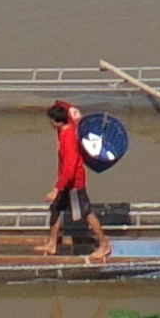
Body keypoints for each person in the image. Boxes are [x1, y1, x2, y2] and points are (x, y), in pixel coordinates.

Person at [44, 99, 105, 255]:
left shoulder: (68, 138)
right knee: (56, 209)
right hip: (65, 182)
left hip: (73, 183)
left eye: (51, 121)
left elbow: (69, 169)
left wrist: (57, 189)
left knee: (86, 213)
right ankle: (52, 244)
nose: (50, 124)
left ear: (57, 122)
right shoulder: (67, 125)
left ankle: (104, 244)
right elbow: (63, 104)